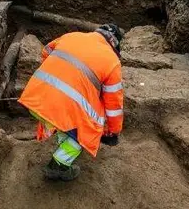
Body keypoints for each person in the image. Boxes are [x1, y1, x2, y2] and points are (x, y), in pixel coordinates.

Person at [17, 24, 125, 181]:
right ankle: (58, 165)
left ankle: (63, 137)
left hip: (36, 98)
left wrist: (57, 71)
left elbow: (46, 51)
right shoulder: (112, 61)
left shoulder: (72, 36)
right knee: (88, 129)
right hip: (59, 108)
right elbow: (113, 105)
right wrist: (113, 131)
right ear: (114, 44)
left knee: (68, 118)